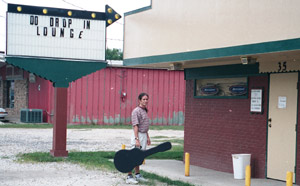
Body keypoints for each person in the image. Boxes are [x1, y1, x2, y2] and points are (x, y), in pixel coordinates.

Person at [126, 93, 151, 184]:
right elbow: (135, 126)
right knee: (133, 156)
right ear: (139, 100)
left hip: (144, 135)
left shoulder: (144, 110)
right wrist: (137, 139)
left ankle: (137, 174)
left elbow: (144, 125)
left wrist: (147, 137)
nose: (145, 101)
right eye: (143, 99)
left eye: (147, 99)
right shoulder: (136, 111)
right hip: (138, 135)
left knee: (139, 157)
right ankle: (129, 176)